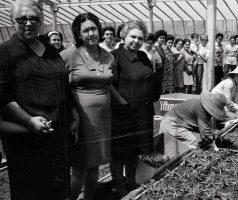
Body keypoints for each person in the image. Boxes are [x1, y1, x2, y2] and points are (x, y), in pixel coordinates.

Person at [0, 0, 78, 199]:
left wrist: (73, 112)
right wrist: (28, 120)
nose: (28, 23)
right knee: (32, 190)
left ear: (41, 20)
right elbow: (3, 96)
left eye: (34, 18)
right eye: (22, 18)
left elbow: (62, 82)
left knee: (59, 189)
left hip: (58, 134)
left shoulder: (49, 49)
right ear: (12, 20)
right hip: (28, 137)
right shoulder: (6, 52)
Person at [60, 12, 115, 200]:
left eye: (93, 29)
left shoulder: (108, 57)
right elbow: (59, 88)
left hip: (102, 120)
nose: (91, 33)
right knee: (80, 169)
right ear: (78, 34)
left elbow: (110, 82)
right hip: (80, 120)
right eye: (86, 30)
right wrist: (71, 112)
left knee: (96, 167)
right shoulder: (68, 56)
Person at [111, 20, 161, 197]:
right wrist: (121, 103)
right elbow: (109, 85)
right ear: (124, 35)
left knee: (135, 149)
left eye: (140, 38)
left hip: (143, 112)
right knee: (120, 151)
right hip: (124, 113)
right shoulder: (115, 56)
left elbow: (151, 79)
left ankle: (131, 180)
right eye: (133, 36)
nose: (136, 41)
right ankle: (119, 185)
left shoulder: (143, 56)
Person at [159, 92, 227, 150]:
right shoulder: (200, 109)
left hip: (180, 124)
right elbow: (205, 132)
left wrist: (214, 134)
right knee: (195, 142)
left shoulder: (203, 107)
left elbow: (207, 126)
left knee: (200, 140)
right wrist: (213, 144)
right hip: (170, 124)